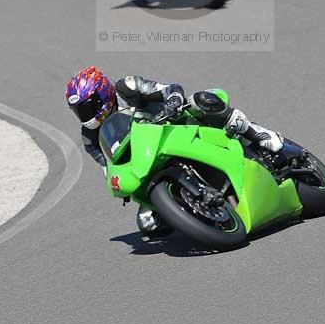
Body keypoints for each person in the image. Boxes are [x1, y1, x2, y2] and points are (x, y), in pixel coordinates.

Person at [65, 67, 286, 236]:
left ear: (103, 95)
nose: (85, 116)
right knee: (148, 224)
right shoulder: (89, 138)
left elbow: (168, 88)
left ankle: (257, 133)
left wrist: (173, 102)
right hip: (147, 160)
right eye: (78, 111)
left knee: (201, 101)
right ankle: (195, 213)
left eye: (88, 107)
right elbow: (108, 167)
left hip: (174, 125)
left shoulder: (127, 88)